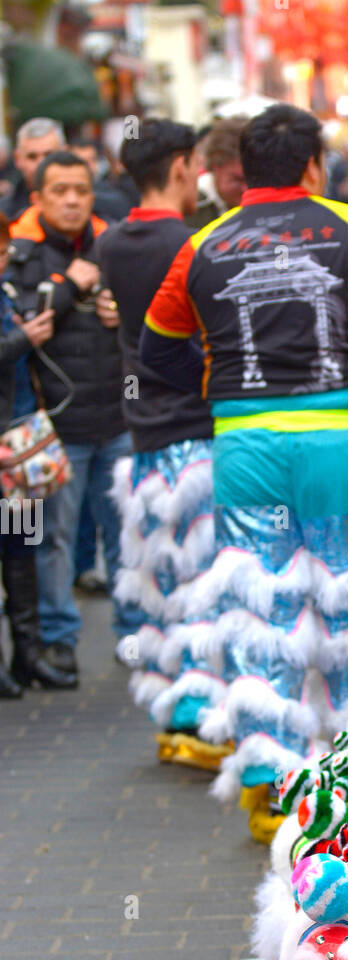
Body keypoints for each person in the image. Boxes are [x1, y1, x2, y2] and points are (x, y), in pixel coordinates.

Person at [140, 103, 348, 819]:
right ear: (313, 165)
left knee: (263, 603)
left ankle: (271, 788)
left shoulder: (204, 241)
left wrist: (220, 389)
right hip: (337, 438)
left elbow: (156, 348)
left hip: (244, 444)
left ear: (242, 167)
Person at [97, 118, 218, 759]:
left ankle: (173, 714)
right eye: (195, 165)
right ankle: (201, 720)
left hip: (141, 440)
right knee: (203, 579)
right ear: (178, 167)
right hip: (197, 433)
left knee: (161, 582)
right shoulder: (193, 242)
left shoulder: (112, 244)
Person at [6, 150, 134, 677]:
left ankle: (135, 634)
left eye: (81, 189)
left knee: (126, 533)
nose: (73, 200)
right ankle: (57, 640)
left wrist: (125, 312)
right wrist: (71, 287)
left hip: (119, 418)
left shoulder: (117, 244)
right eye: (60, 190)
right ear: (38, 197)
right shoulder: (18, 253)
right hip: (52, 429)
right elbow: (19, 329)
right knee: (48, 540)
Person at [0, 212, 77, 694]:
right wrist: (21, 339)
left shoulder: (6, 293)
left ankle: (27, 654)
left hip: (17, 446)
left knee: (19, 548)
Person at [184, 117, 247, 231]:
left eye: (251, 179)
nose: (246, 188)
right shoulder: (194, 204)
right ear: (214, 168)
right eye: (237, 180)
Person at [2, 118, 66, 227]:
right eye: (32, 157)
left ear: (65, 154)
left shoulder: (93, 208)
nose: (41, 164)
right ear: (18, 159)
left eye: (48, 155)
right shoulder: (3, 214)